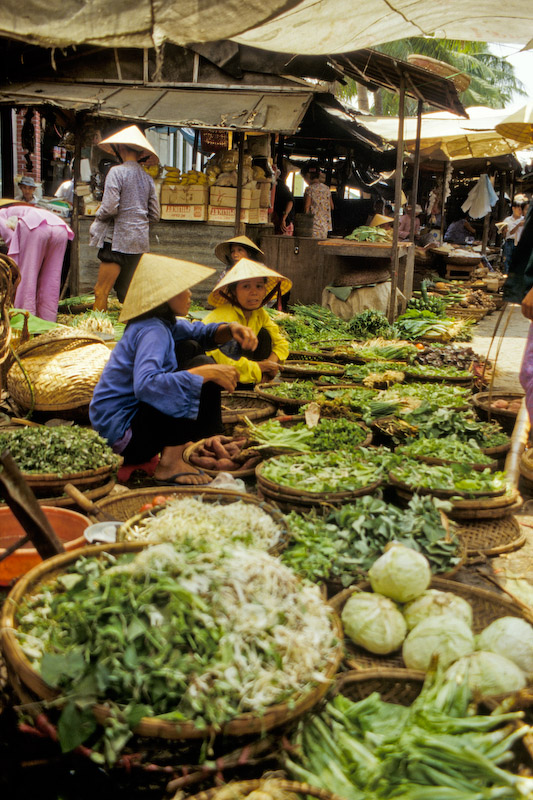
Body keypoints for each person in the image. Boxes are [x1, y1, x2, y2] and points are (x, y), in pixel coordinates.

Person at [89, 253, 258, 486]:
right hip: (124, 438)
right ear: (164, 297)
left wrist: (230, 328)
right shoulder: (152, 331)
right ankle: (169, 463)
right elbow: (147, 385)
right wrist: (207, 374)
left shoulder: (162, 323)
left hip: (127, 427)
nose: (189, 295)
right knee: (204, 367)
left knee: (191, 348)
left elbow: (199, 332)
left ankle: (199, 443)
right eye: (183, 290)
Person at [89, 125, 160, 311]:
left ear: (120, 148)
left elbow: (110, 207)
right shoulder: (147, 179)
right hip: (139, 242)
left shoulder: (116, 172)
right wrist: (137, 221)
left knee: (101, 291)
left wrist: (99, 216)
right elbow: (155, 215)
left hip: (116, 241)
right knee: (129, 295)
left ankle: (97, 333)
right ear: (140, 153)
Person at [203, 258, 291, 387]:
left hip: (241, 366)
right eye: (246, 286)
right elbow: (225, 361)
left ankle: (256, 383)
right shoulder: (225, 317)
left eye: (259, 286)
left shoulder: (259, 313)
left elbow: (281, 342)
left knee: (264, 335)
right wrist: (260, 367)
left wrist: (271, 363)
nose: (254, 292)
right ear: (233, 291)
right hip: (212, 372)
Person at [0, 201, 74, 321]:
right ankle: (47, 322)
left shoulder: (0, 214)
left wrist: (15, 261)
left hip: (35, 228)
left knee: (27, 278)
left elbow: (10, 238)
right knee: (51, 279)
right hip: (60, 229)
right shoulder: (22, 209)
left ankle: (24, 322)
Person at [302, 162, 334, 239]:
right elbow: (332, 206)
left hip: (313, 225)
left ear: (307, 175)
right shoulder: (326, 189)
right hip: (324, 226)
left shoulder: (310, 189)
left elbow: (307, 207)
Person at [500, 195, 527, 273]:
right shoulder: (507, 220)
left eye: (521, 209)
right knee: (507, 261)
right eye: (518, 209)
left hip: (520, 243)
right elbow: (507, 234)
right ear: (513, 208)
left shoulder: (524, 220)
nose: (520, 211)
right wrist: (503, 231)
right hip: (509, 242)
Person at [272, 165, 295, 235]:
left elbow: (290, 201)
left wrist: (283, 218)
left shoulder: (280, 185)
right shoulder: (273, 185)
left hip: (285, 225)